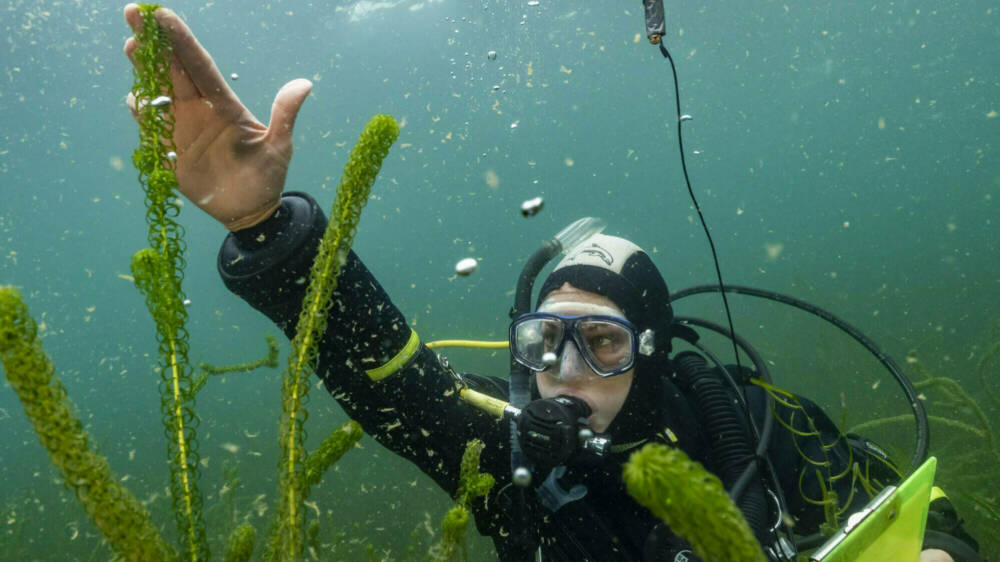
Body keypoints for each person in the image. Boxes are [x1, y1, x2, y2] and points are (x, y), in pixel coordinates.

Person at [122, 6, 982, 561]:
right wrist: (263, 228)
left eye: (601, 342)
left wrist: (942, 551)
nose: (564, 371)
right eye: (543, 342)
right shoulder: (512, 455)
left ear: (650, 348)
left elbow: (912, 505)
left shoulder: (748, 420)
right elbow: (386, 380)